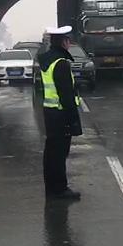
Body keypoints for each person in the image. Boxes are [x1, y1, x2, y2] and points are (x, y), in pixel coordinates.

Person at [37, 26, 83, 201]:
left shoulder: (47, 61)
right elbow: (66, 95)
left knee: (51, 152)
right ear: (63, 42)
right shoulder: (61, 63)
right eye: (68, 41)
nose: (69, 44)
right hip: (61, 113)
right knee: (59, 153)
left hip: (50, 112)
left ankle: (51, 187)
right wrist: (73, 121)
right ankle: (60, 189)